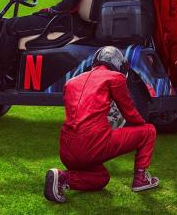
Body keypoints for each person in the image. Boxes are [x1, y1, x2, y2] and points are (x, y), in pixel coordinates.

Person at [44, 46, 159, 203]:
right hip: (92, 144)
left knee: (101, 178)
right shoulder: (115, 78)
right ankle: (141, 179)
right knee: (149, 131)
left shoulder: (71, 83)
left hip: (67, 150)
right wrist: (142, 128)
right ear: (118, 64)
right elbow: (130, 112)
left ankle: (62, 177)